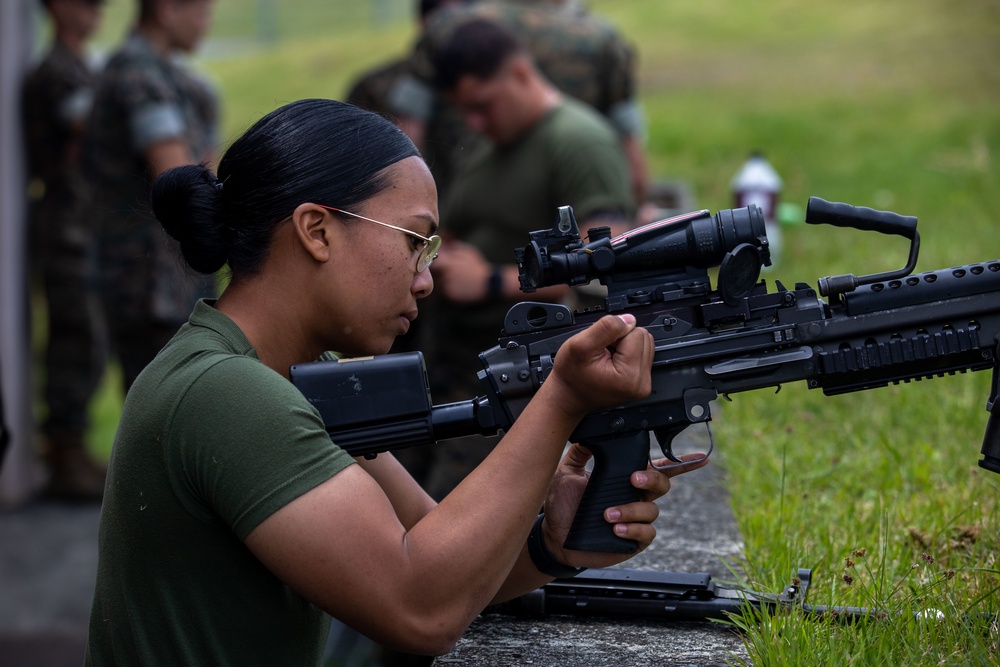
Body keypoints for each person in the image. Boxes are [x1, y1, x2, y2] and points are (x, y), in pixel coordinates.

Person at [84, 98, 707, 664]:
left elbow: (433, 549)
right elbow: (417, 608)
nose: (425, 279)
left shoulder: (283, 378)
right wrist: (562, 401)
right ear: (317, 230)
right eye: (415, 241)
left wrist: (549, 543)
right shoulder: (225, 393)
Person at [411, 17, 637, 499]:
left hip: (514, 374)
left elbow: (607, 272)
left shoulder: (579, 142)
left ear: (519, 74)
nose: (474, 122)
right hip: (448, 360)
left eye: (482, 106)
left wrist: (490, 281)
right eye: (464, 112)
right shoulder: (492, 142)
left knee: (449, 515)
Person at [81, 0, 219, 393]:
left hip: (167, 280)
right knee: (166, 414)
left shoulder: (167, 75)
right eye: (202, 11)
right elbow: (181, 179)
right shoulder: (137, 75)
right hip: (149, 285)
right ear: (165, 9)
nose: (206, 24)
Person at [388, 0, 649, 203]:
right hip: (570, 214)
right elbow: (630, 151)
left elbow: (409, 132)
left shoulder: (448, 29)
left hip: (459, 208)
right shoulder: (601, 38)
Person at [21, 0, 107, 500]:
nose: (97, 10)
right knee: (76, 336)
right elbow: (89, 134)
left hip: (81, 223)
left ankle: (70, 449)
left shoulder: (78, 67)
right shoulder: (57, 72)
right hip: (65, 225)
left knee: (88, 337)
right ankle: (64, 453)